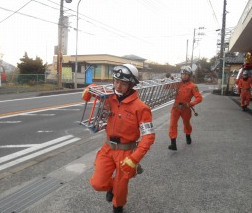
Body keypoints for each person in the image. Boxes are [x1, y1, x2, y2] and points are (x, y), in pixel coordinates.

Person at [82, 64, 155, 213]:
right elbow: (95, 90)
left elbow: (149, 136)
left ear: (131, 85)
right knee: (97, 183)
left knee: (121, 187)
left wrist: (135, 158)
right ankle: (111, 188)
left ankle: (118, 206)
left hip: (126, 152)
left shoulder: (141, 108)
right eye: (116, 81)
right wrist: (89, 89)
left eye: (123, 83)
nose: (118, 86)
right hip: (108, 148)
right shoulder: (109, 98)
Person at [168, 66, 203, 151]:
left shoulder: (193, 86)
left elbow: (199, 98)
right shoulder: (177, 84)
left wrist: (191, 104)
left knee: (186, 123)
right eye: (183, 74)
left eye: (186, 74)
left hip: (186, 108)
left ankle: (188, 135)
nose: (184, 76)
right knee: (172, 124)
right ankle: (173, 143)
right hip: (176, 107)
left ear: (190, 75)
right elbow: (167, 87)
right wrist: (167, 80)